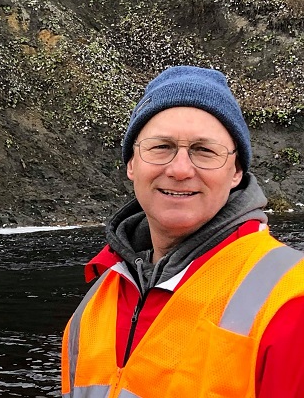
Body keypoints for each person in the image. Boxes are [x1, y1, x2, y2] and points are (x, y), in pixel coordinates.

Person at [61, 66, 304, 397]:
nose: (179, 169)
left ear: (236, 171)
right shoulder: (95, 303)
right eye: (161, 146)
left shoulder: (291, 301)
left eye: (204, 150)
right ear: (132, 163)